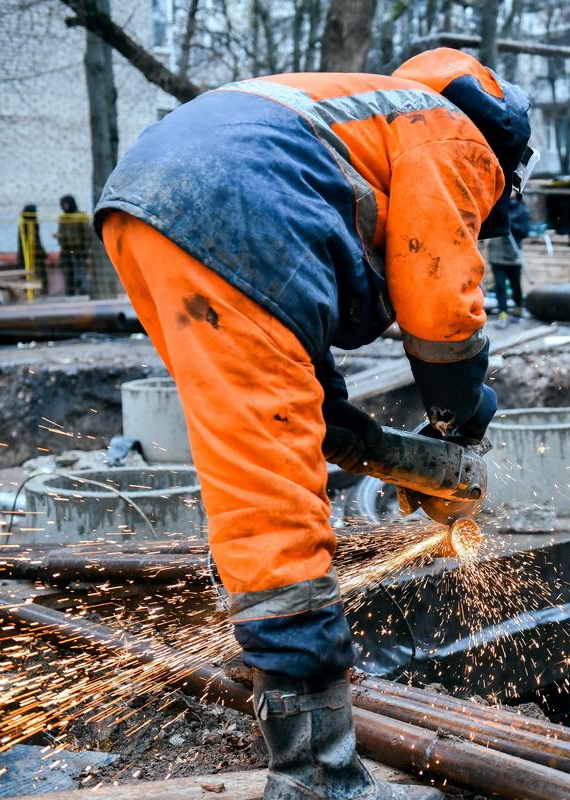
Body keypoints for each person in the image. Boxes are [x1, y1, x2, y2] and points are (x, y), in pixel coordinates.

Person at [94, 48, 535, 800]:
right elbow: (442, 310)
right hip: (236, 214)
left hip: (146, 208)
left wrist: (385, 449)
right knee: (275, 515)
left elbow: (322, 407)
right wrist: (460, 424)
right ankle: (320, 779)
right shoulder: (451, 129)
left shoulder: (357, 110)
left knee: (300, 431)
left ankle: (308, 759)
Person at [486, 191, 531, 326]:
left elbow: (525, 232)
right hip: (496, 254)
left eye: (512, 189)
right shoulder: (497, 208)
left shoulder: (522, 210)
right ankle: (503, 312)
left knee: (515, 284)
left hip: (513, 255)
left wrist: (511, 225)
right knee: (500, 285)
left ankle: (518, 307)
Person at [55, 195, 94, 296]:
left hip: (78, 250)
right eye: (63, 204)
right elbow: (61, 233)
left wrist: (86, 249)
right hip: (66, 250)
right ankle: (70, 294)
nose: (64, 206)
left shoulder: (81, 216)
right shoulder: (63, 218)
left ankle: (83, 293)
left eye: (66, 204)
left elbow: (87, 234)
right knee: (68, 274)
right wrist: (59, 237)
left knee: (80, 273)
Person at [16, 204, 47, 297]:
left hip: (30, 253)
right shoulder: (27, 223)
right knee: (34, 274)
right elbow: (34, 240)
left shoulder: (25, 222)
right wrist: (41, 252)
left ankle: (33, 292)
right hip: (30, 254)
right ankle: (33, 293)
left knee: (32, 274)